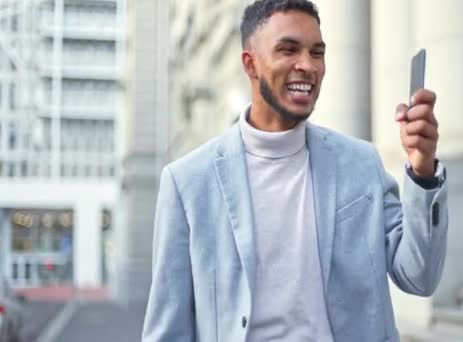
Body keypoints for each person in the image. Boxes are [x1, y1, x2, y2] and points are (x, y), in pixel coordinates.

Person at [142, 0, 447, 341]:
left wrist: (422, 171)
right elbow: (167, 331)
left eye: (317, 53)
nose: (307, 65)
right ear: (250, 63)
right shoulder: (187, 183)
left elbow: (419, 276)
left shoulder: (361, 164)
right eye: (288, 50)